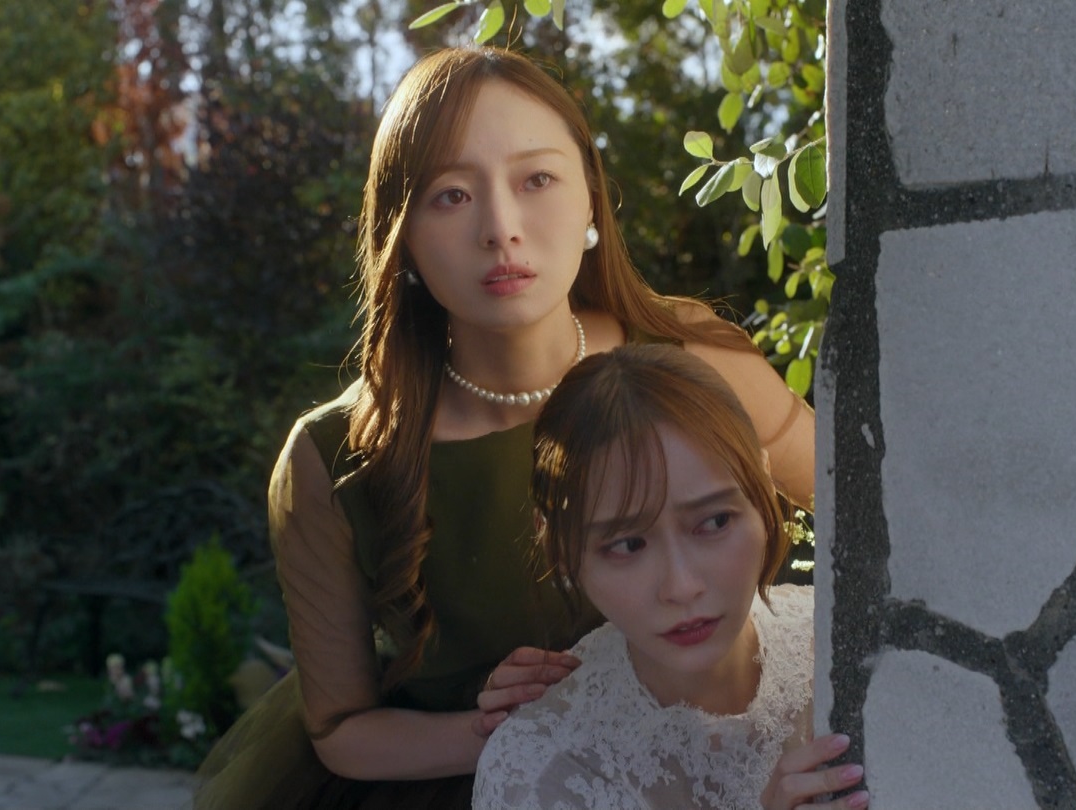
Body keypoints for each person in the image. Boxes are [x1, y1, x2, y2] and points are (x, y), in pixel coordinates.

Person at [194, 45, 815, 809]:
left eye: (536, 180)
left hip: (739, 765)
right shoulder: (337, 456)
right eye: (451, 195)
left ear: (592, 199)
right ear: (402, 233)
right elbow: (339, 728)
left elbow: (878, 522)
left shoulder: (692, 360)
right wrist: (513, 729)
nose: (500, 228)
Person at [472, 344, 864, 810]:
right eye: (627, 545)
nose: (682, 586)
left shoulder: (847, 643)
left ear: (762, 487)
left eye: (715, 522)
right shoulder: (536, 772)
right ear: (559, 547)